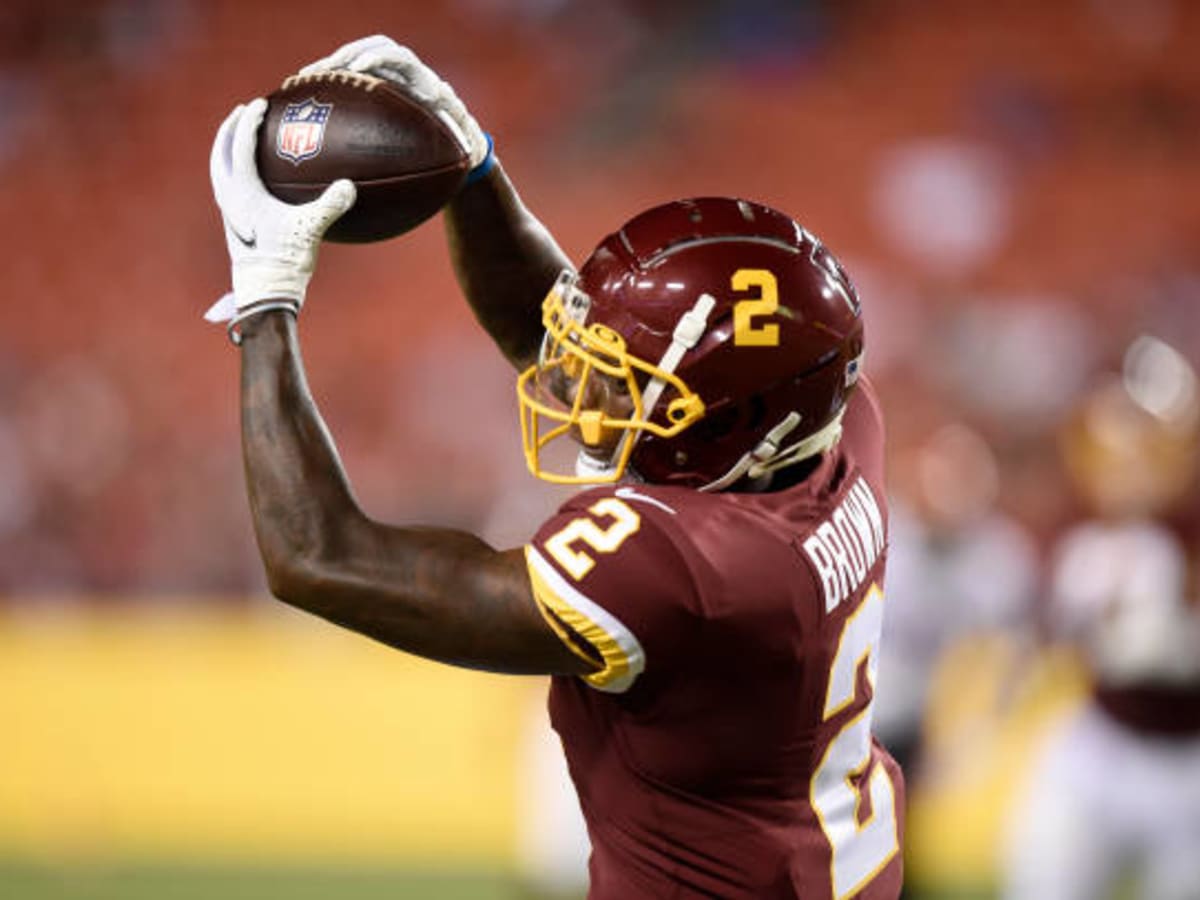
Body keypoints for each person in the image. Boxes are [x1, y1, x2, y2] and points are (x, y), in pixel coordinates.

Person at [207, 35, 904, 899]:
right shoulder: (830, 427)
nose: (588, 390)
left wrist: (265, 296)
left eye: (635, 387)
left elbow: (321, 559)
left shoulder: (686, 568)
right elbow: (559, 341)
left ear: (733, 424)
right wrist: (473, 172)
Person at [1001, 336, 1200, 900]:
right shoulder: (1082, 531)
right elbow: (1052, 636)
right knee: (1041, 878)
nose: (1129, 461)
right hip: (1103, 735)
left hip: (1191, 760)